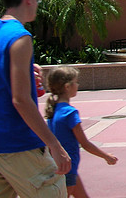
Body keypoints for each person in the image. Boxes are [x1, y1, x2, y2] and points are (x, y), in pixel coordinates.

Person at [0, 0, 71, 197]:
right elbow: (21, 100)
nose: (37, 3)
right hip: (17, 143)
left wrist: (25, 71)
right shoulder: (20, 37)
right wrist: (54, 144)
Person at [46, 66, 118, 197]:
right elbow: (84, 143)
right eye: (76, 82)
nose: (78, 85)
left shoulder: (54, 111)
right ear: (67, 87)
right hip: (68, 168)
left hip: (61, 167)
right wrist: (106, 156)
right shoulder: (70, 113)